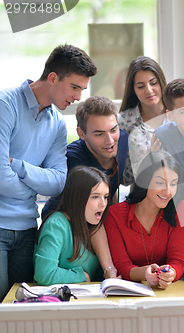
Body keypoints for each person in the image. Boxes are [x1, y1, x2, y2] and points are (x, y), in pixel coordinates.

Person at [0, 44, 96, 301]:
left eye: (82, 90)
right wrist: (34, 185)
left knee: (24, 311)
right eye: (75, 87)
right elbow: (0, 177)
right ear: (53, 78)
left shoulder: (57, 124)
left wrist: (18, 166)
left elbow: (57, 184)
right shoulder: (5, 105)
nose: (78, 97)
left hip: (28, 228)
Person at [105, 150, 184, 288]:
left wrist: (170, 274)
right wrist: (144, 273)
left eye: (173, 184)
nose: (168, 191)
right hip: (129, 294)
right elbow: (121, 265)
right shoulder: (114, 215)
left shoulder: (181, 210)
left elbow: (178, 261)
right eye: (160, 182)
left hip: (168, 292)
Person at [42, 95, 129, 218]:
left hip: (95, 216)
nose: (110, 141)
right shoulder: (73, 161)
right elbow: (84, 215)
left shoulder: (122, 140)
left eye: (113, 130)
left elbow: (111, 185)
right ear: (81, 134)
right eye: (99, 134)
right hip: (63, 224)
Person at [34, 166, 110, 285]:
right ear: (78, 197)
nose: (103, 204)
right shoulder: (56, 225)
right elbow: (44, 274)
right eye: (95, 197)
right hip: (59, 300)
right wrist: (82, 276)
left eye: (105, 197)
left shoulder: (92, 224)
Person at [118, 56, 168, 185]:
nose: (149, 90)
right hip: (142, 199)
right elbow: (123, 178)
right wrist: (149, 161)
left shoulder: (178, 115)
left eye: (153, 83)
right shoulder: (123, 122)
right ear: (133, 90)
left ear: (161, 82)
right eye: (141, 86)